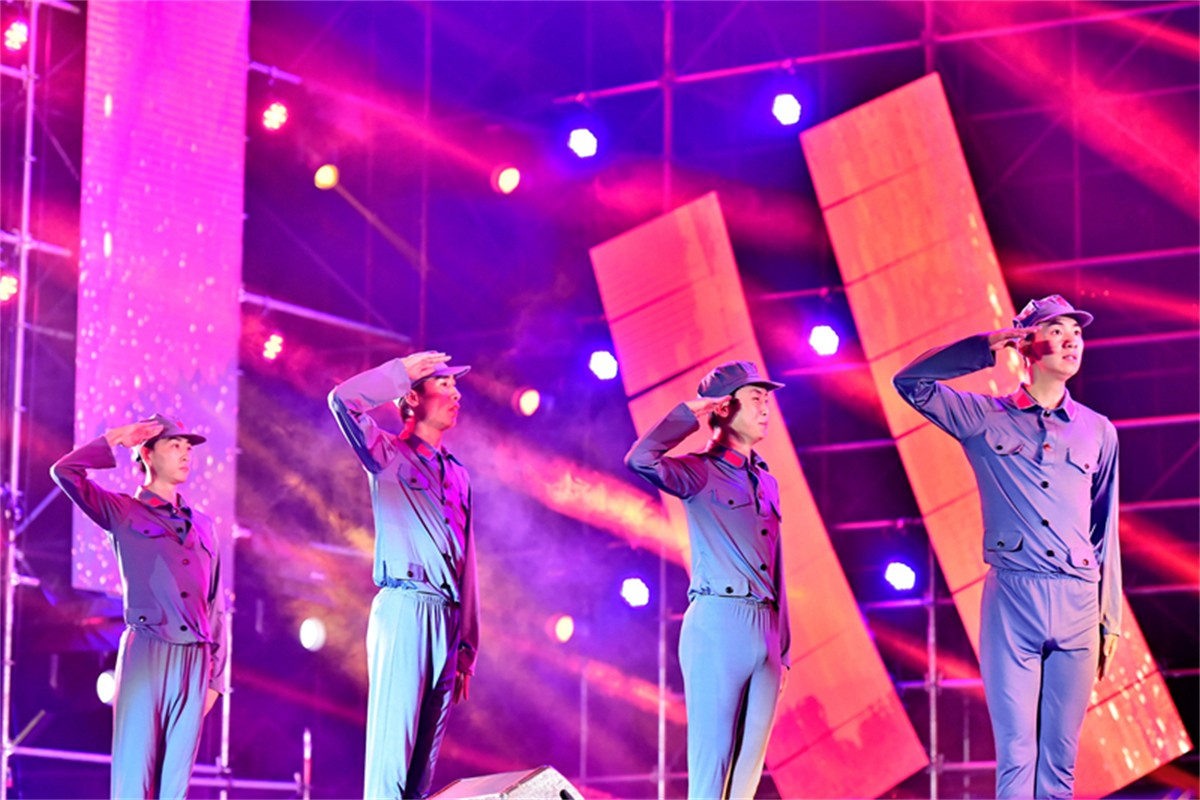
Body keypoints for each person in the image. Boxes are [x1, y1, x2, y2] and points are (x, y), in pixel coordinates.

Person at [893, 295, 1121, 799]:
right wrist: (984, 348)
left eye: (1076, 332)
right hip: (1013, 601)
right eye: (1056, 330)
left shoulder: (1099, 431)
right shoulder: (982, 417)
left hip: (1080, 605)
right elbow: (910, 383)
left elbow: (1105, 529)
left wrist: (1110, 618)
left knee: (1060, 763)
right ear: (1025, 344)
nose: (1071, 340)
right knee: (1017, 755)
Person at [625, 360, 790, 800]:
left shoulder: (767, 481)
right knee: (711, 771)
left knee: (746, 778)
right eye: (755, 398)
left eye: (766, 400)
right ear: (724, 407)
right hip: (718, 625)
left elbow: (777, 565)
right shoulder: (699, 471)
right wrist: (690, 413)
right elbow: (640, 459)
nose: (766, 408)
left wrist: (784, 650)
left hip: (767, 632)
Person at [328, 351, 480, 800]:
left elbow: (468, 561)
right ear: (412, 397)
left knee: (420, 774)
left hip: (447, 619)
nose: (456, 393)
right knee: (392, 763)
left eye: (456, 385)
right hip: (405, 608)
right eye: (444, 384)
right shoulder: (387, 454)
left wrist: (467, 646)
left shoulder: (458, 474)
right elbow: (342, 401)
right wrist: (399, 373)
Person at [50, 414, 226, 800]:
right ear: (147, 454)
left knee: (174, 788)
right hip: (147, 651)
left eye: (187, 448)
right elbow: (64, 472)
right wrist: (116, 437)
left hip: (195, 661)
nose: (186, 455)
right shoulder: (123, 511)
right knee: (135, 780)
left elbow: (216, 605)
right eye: (175, 446)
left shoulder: (205, 526)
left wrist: (215, 682)